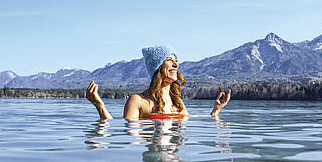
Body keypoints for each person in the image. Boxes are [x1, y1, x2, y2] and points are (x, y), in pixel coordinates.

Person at [85, 45, 231, 120]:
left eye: (176, 61)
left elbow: (190, 122)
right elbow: (125, 134)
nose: (175, 65)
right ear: (157, 67)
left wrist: (215, 112)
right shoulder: (138, 101)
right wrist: (100, 107)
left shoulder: (177, 102)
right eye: (169, 60)